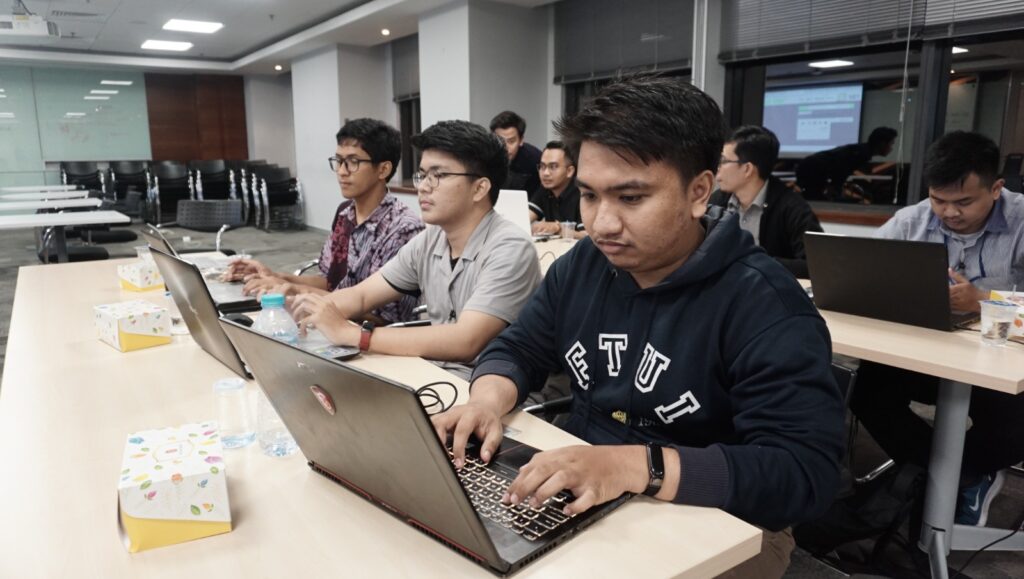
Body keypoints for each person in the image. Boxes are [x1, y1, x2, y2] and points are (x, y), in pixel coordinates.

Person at [432, 76, 846, 579]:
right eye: (588, 196)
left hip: (721, 521)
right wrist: (485, 402)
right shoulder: (583, 265)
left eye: (630, 198)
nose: (602, 224)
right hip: (584, 485)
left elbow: (801, 474)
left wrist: (633, 466)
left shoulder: (763, 304)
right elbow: (519, 348)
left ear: (699, 192)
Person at [851, 131, 1024, 527]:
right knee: (867, 390)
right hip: (926, 354)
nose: (948, 212)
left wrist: (983, 300)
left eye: (963, 202)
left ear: (996, 188)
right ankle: (947, 475)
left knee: (1015, 425)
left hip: (999, 365)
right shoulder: (911, 221)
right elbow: (866, 271)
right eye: (938, 199)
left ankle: (954, 475)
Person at [289, 120, 542, 380]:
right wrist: (310, 309)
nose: (422, 187)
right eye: (422, 175)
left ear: (479, 188)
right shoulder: (432, 239)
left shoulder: (511, 248)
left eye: (438, 176)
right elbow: (362, 295)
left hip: (495, 386)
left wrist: (354, 335)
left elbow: (465, 341)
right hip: (437, 373)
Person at [223, 118, 424, 324]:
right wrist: (276, 277)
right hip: (327, 323)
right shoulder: (345, 213)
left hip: (368, 335)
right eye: (339, 161)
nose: (342, 171)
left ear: (383, 169)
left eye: (353, 162)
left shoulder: (402, 229)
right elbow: (329, 282)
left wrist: (298, 290)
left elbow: (385, 319)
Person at [711, 125, 823, 278]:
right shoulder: (718, 201)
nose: (717, 168)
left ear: (747, 169)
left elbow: (815, 265)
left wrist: (758, 263)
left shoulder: (791, 207)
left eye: (723, 161)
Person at [796, 127, 897, 202]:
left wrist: (835, 187)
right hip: (812, 168)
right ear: (882, 143)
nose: (891, 148)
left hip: (811, 166)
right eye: (891, 144)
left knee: (815, 198)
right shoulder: (861, 153)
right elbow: (841, 169)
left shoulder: (862, 150)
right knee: (814, 199)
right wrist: (836, 188)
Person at [528, 140, 585, 239]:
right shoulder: (544, 189)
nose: (545, 173)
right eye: (542, 166)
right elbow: (523, 219)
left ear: (569, 171)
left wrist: (558, 229)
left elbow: (587, 237)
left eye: (553, 167)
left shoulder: (582, 194)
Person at [491, 110, 542, 195]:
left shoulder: (535, 160)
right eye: (499, 140)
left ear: (521, 140)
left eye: (511, 141)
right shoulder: (485, 157)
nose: (505, 147)